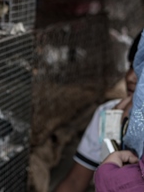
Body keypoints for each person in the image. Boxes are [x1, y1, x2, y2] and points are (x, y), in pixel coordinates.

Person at [55, 31, 141, 192]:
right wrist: (111, 129)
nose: (130, 77)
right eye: (130, 66)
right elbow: (74, 182)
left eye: (141, 71)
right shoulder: (108, 113)